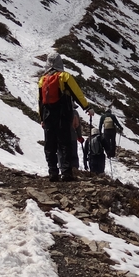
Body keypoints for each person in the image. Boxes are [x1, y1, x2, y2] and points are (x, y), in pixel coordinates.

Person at [38, 53, 92, 182]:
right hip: (63, 115)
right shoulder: (65, 76)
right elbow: (77, 93)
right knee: (65, 143)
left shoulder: (42, 79)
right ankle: (67, 173)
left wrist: (41, 118)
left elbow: (40, 101)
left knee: (50, 144)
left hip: (47, 116)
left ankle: (52, 172)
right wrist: (87, 107)